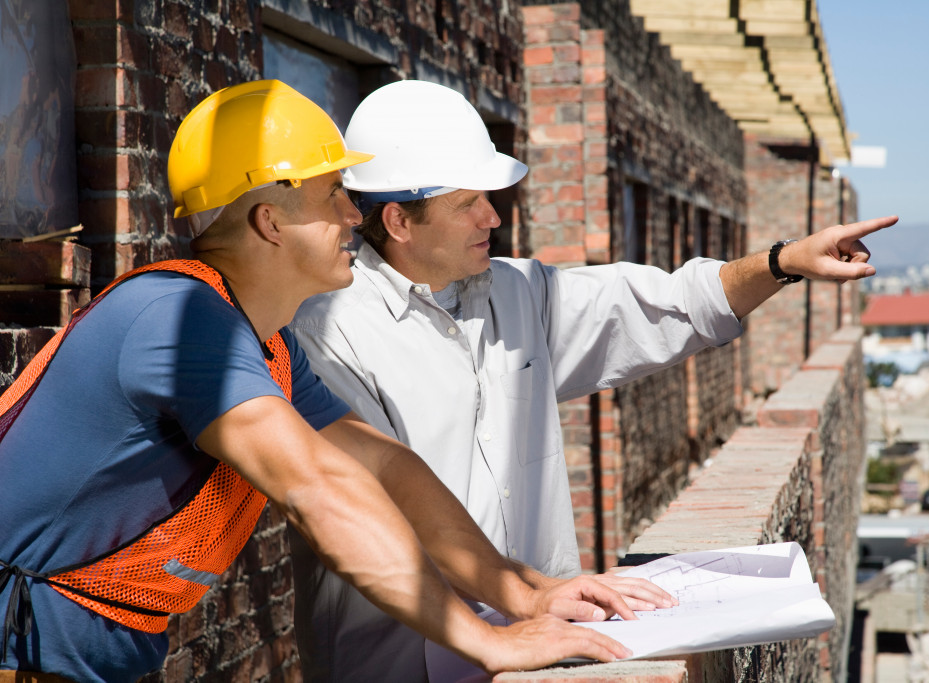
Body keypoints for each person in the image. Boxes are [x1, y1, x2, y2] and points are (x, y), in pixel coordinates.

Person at [0, 79, 674, 683]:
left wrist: (521, 593)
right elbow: (317, 490)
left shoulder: (267, 346)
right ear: (270, 221)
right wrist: (489, 641)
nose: (357, 216)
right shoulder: (178, 321)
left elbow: (382, 465)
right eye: (333, 197)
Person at [289, 79, 899, 681]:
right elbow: (381, 512)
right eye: (467, 203)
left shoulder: (516, 292)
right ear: (398, 220)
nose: (492, 216)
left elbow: (658, 303)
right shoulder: (328, 332)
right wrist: (523, 597)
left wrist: (781, 263)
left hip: (540, 642)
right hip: (397, 664)